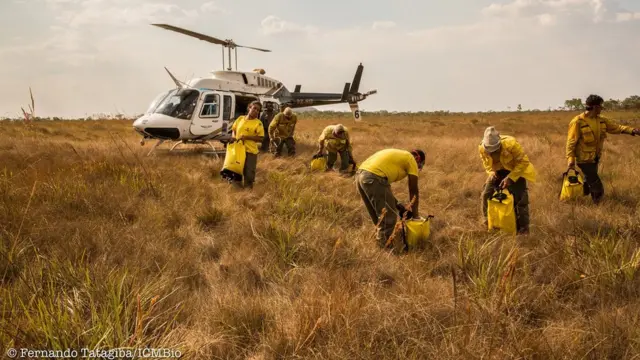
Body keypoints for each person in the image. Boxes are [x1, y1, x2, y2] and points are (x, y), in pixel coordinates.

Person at [566, 94, 640, 203]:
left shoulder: (601, 120)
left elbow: (616, 128)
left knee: (589, 179)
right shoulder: (577, 122)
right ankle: (598, 204)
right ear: (595, 107)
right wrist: (570, 158)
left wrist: (632, 130)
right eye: (600, 106)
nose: (602, 108)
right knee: (596, 183)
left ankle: (580, 198)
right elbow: (571, 142)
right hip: (584, 159)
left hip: (595, 157)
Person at [355, 148, 425, 248]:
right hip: (373, 177)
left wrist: (398, 205)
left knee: (378, 215)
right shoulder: (411, 159)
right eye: (419, 166)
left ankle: (379, 244)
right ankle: (385, 249)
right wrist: (415, 216)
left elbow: (383, 188)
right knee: (388, 216)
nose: (417, 168)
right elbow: (413, 190)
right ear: (418, 159)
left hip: (360, 176)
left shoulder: (400, 155)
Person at [479, 126, 536, 235]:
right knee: (486, 194)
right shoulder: (482, 148)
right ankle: (488, 221)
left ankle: (523, 229)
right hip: (498, 172)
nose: (492, 152)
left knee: (520, 199)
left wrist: (510, 178)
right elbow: (486, 163)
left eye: (494, 149)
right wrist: (491, 172)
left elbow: (524, 162)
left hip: (516, 171)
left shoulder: (511, 144)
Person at [229, 101, 264, 189]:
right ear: (249, 108)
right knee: (236, 171)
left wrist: (247, 137)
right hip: (238, 150)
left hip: (250, 152)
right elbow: (234, 129)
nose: (256, 111)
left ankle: (248, 194)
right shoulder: (240, 119)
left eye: (258, 110)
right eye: (254, 108)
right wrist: (233, 137)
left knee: (249, 174)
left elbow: (261, 138)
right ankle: (237, 193)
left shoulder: (258, 123)